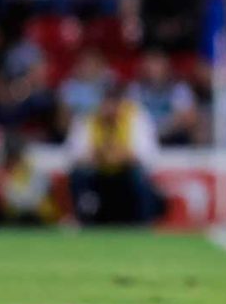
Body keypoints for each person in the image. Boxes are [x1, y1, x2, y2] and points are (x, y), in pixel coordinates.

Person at [66, 83, 161, 225]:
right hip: (97, 172)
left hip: (125, 172)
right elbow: (73, 154)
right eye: (106, 103)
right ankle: (83, 220)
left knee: (140, 178)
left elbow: (147, 155)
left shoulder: (136, 116)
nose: (109, 109)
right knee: (79, 175)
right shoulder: (87, 118)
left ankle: (144, 223)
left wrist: (121, 156)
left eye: (114, 103)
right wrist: (99, 155)